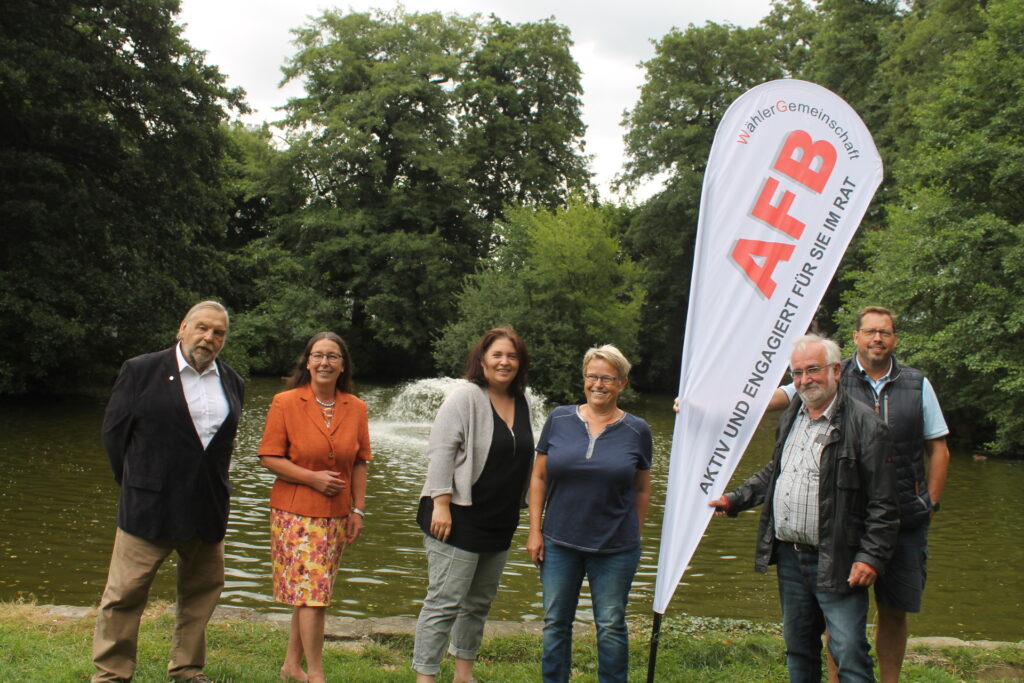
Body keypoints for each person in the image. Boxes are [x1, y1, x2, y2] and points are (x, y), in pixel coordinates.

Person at [766, 308, 951, 683]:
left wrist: (929, 504)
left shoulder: (917, 384)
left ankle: (889, 680)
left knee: (893, 608)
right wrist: (713, 405)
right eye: (870, 332)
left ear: (895, 339)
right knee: (842, 613)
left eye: (884, 332)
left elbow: (939, 448)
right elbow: (783, 396)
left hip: (902, 520)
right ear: (856, 337)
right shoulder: (829, 372)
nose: (877, 339)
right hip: (844, 520)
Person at [709, 334, 898, 682]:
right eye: (797, 373)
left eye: (813, 370)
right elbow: (776, 472)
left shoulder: (867, 426)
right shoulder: (793, 413)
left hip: (839, 559)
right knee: (799, 649)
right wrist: (734, 500)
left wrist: (870, 556)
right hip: (792, 558)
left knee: (850, 653)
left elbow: (885, 505)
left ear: (836, 371)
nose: (804, 380)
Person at [92, 301, 245, 683]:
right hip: (149, 506)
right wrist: (134, 482)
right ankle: (111, 672)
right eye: (202, 328)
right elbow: (115, 436)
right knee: (124, 594)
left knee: (201, 593)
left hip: (206, 508)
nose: (209, 338)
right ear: (183, 328)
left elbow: (220, 448)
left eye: (218, 333)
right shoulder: (141, 371)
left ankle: (187, 668)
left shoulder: (233, 381)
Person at [412, 328, 536, 683]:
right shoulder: (465, 397)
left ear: (520, 363)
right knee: (444, 601)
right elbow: (441, 451)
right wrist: (440, 503)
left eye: (512, 356)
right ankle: (426, 677)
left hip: (499, 520)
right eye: (497, 355)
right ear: (482, 360)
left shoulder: (522, 400)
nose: (504, 362)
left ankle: (463, 676)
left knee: (478, 605)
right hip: (457, 517)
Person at [527, 345, 653, 683]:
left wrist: (633, 532)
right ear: (584, 379)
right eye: (592, 376)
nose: (598, 384)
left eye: (608, 378)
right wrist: (534, 531)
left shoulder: (637, 430)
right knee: (556, 623)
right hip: (558, 542)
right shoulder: (559, 419)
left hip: (615, 548)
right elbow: (538, 478)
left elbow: (642, 488)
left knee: (611, 625)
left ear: (622, 383)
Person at [257, 331, 371, 683]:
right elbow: (269, 457)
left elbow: (360, 462)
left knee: (308, 594)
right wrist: (312, 478)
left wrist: (358, 509)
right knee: (313, 595)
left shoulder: (357, 407)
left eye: (332, 356)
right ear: (307, 362)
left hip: (337, 515)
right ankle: (317, 675)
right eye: (318, 355)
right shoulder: (285, 402)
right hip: (295, 513)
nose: (325, 362)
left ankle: (291, 667)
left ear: (342, 365)